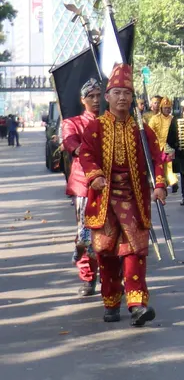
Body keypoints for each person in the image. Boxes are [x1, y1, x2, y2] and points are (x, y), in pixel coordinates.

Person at [77, 63, 167, 327]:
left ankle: (137, 304)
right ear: (107, 97)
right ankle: (111, 301)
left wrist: (159, 183)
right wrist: (94, 176)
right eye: (117, 92)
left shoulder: (142, 130)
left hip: (134, 198)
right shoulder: (95, 128)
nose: (123, 97)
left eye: (127, 93)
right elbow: (86, 155)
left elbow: (156, 158)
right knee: (105, 253)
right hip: (103, 198)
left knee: (135, 251)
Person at [61, 79, 102, 297]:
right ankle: (88, 276)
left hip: (109, 185)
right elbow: (71, 144)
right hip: (85, 186)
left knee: (110, 234)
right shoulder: (72, 123)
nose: (95, 100)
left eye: (98, 95)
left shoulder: (110, 121)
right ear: (82, 100)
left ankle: (110, 276)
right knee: (86, 235)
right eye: (91, 96)